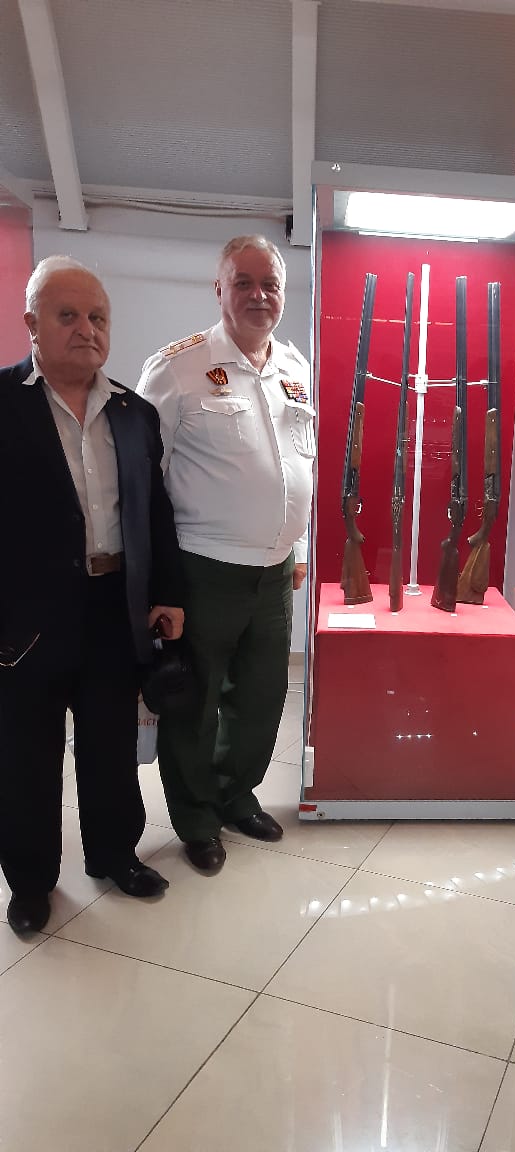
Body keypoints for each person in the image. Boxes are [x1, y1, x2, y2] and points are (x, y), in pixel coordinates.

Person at [0, 256, 184, 934]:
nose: (87, 329)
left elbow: (155, 512)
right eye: (68, 316)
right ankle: (30, 881)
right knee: (27, 755)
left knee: (111, 744)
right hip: (25, 617)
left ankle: (113, 855)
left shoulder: (135, 413)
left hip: (114, 608)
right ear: (32, 324)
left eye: (98, 317)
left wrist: (167, 593)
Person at [137, 235, 313, 873]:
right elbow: (144, 479)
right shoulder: (178, 367)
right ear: (219, 289)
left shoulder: (295, 366)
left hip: (275, 571)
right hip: (203, 567)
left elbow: (300, 463)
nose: (259, 295)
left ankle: (236, 794)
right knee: (196, 701)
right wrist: (158, 581)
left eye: (270, 284)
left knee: (262, 699)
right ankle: (195, 818)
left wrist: (298, 549)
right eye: (244, 282)